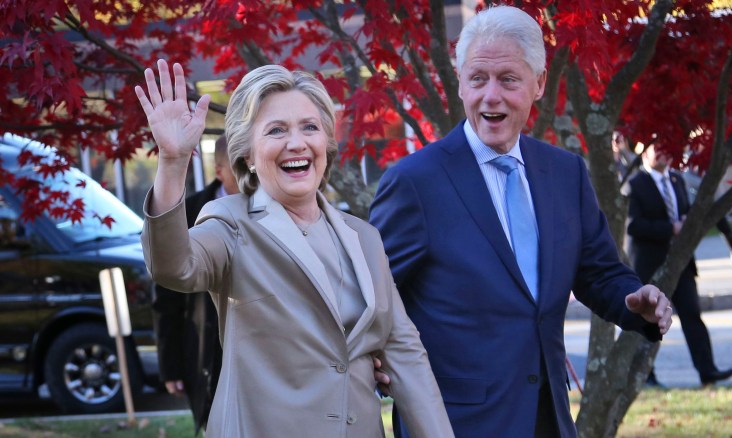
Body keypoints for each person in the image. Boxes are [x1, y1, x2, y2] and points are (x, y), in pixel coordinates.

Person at [368, 6, 673, 438]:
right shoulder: (414, 183)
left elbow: (599, 272)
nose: (491, 95)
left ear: (539, 83)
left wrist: (635, 299)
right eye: (477, 79)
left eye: (508, 79)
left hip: (548, 417)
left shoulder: (565, 173)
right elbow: (373, 301)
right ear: (460, 84)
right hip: (454, 424)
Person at [135, 60, 454, 437]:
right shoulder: (230, 221)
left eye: (309, 127)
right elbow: (174, 267)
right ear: (248, 156)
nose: (297, 143)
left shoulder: (364, 237)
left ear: (326, 143)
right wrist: (172, 163)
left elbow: (403, 354)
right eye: (276, 130)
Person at [626, 144, 732, 387]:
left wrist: (686, 221)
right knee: (647, 321)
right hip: (649, 265)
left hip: (681, 264)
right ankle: (646, 376)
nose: (665, 152)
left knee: (692, 316)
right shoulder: (635, 184)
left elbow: (685, 211)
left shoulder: (677, 179)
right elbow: (633, 226)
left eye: (668, 147)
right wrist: (670, 228)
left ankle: (708, 371)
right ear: (644, 151)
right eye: (658, 147)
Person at [151, 135, 237, 433]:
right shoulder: (188, 212)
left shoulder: (271, 210)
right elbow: (166, 296)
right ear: (219, 170)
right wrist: (170, 365)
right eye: (236, 167)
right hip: (204, 346)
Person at [680, 168, 732, 266]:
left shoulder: (713, 165)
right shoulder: (688, 173)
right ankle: (686, 259)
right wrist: (709, 179)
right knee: (692, 234)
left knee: (725, 229)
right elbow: (700, 184)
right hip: (697, 207)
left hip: (715, 204)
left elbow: (719, 178)